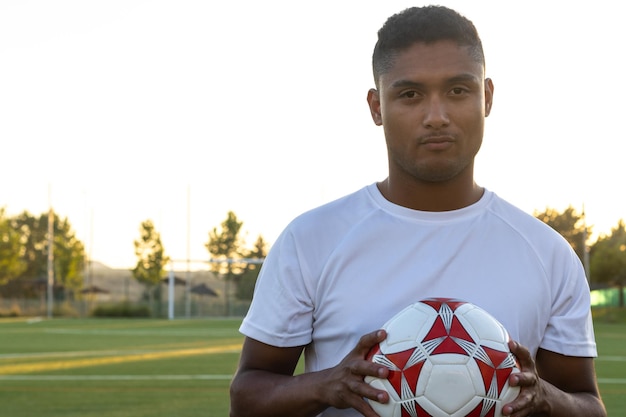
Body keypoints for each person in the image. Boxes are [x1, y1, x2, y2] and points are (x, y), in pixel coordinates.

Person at [229, 5, 606, 417]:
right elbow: (246, 398)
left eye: (458, 91)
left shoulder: (549, 254)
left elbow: (588, 404)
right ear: (376, 107)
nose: (436, 116)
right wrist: (327, 384)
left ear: (488, 97)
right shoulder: (311, 240)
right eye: (410, 95)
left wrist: (547, 399)